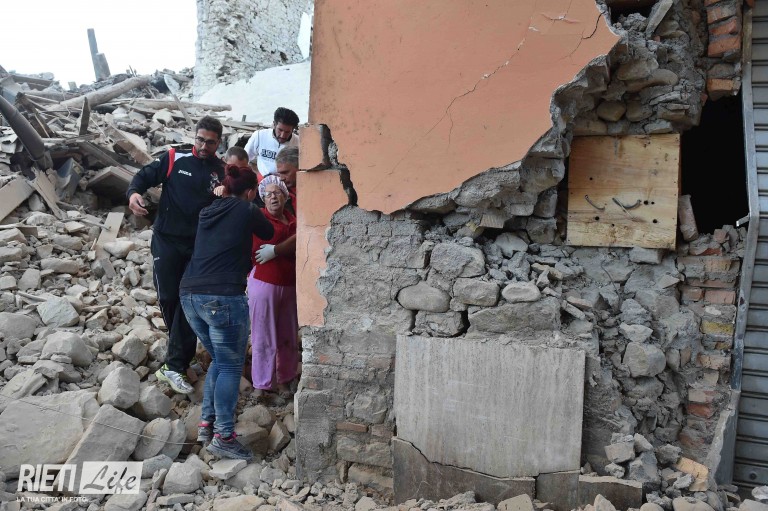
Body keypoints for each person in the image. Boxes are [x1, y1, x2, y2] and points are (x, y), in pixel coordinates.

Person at [179, 165, 274, 460]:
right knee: (231, 367)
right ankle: (224, 436)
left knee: (220, 360)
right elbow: (268, 231)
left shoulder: (207, 211)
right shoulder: (247, 209)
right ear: (250, 192)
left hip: (190, 295)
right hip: (222, 297)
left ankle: (206, 426)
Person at [126, 116, 225, 395]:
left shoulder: (222, 171)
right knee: (169, 297)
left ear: (218, 143)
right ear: (195, 136)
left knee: (188, 300)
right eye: (200, 139)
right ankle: (181, 348)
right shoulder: (174, 158)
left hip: (199, 246)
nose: (203, 146)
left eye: (210, 142)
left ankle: (175, 363)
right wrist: (133, 194)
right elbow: (143, 177)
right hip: (167, 240)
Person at [248, 175, 299, 397]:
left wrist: (278, 249)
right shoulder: (259, 218)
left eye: (277, 192)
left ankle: (286, 378)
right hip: (264, 282)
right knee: (263, 334)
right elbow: (260, 249)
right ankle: (262, 384)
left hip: (290, 284)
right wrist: (285, 246)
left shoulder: (294, 220)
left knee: (288, 334)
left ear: (285, 197)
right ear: (263, 198)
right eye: (268, 194)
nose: (273, 197)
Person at [244, 107, 300, 180]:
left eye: (287, 132)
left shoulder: (299, 143)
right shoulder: (259, 136)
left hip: (287, 182)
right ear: (274, 124)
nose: (282, 135)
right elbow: (245, 159)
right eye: (280, 130)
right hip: (261, 180)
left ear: (293, 130)